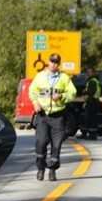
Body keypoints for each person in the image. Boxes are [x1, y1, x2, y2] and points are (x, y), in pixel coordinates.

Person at [28, 53, 77, 181]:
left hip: (58, 116)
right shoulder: (40, 76)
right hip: (43, 116)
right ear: (48, 62)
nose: (53, 64)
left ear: (58, 64)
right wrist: (35, 103)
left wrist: (62, 97)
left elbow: (73, 93)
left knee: (56, 145)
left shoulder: (64, 78)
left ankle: (52, 171)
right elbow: (32, 91)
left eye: (56, 62)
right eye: (52, 61)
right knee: (41, 142)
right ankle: (40, 168)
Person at [82, 66, 101, 140]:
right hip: (93, 101)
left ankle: (92, 135)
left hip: (92, 102)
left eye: (89, 72)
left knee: (91, 119)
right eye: (87, 72)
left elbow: (91, 92)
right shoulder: (93, 80)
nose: (88, 73)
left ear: (93, 73)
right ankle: (90, 134)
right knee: (90, 119)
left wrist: (84, 91)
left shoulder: (92, 81)